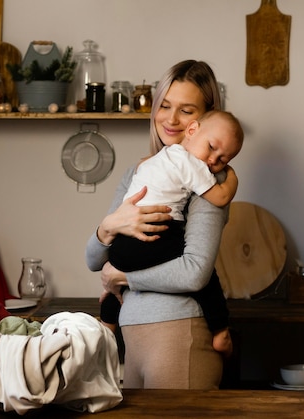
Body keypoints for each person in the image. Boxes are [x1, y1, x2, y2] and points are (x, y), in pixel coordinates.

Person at [85, 60, 234, 390]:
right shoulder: (139, 173)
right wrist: (108, 227)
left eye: (186, 110)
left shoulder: (208, 180)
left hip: (179, 336)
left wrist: (123, 277)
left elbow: (195, 272)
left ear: (204, 119)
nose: (171, 118)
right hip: (133, 341)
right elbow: (94, 260)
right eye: (164, 105)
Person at [102, 110, 243, 354]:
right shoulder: (192, 165)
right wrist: (231, 177)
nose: (212, 160)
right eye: (211, 147)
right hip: (155, 233)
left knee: (118, 283)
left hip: (121, 245)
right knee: (206, 277)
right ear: (191, 130)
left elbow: (95, 257)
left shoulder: (158, 159)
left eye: (223, 159)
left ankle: (107, 323)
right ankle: (220, 331)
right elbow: (220, 197)